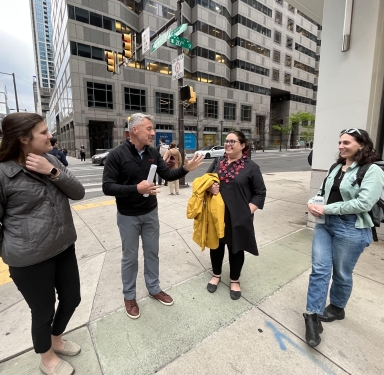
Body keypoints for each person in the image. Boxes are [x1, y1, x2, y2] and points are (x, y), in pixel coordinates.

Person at [0, 112, 85, 375]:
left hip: (64, 247)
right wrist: (14, 251)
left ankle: (57, 339)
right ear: (23, 138)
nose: (50, 136)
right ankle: (46, 356)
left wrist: (53, 171)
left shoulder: (50, 160)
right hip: (30, 261)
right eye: (43, 132)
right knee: (43, 311)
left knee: (72, 298)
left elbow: (78, 192)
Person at [102, 113, 204, 319]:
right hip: (128, 216)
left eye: (152, 128)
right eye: (149, 128)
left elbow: (167, 175)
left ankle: (154, 288)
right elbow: (107, 187)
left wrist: (186, 169)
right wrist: (135, 189)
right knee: (129, 257)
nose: (153, 133)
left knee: (152, 253)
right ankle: (129, 296)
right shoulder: (116, 155)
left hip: (150, 213)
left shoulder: (153, 153)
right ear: (134, 130)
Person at [304, 128, 384, 348]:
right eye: (339, 142)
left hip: (351, 228)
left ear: (361, 145)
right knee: (319, 270)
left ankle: (338, 308)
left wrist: (327, 209)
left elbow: (363, 203)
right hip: (324, 225)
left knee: (341, 272)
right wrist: (312, 202)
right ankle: (312, 315)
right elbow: (323, 192)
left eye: (346, 143)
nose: (341, 146)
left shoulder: (372, 170)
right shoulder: (336, 167)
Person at [206, 131, 266, 300]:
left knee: (236, 249)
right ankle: (216, 275)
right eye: (226, 141)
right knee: (216, 247)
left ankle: (234, 280)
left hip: (239, 217)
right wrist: (210, 188)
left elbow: (260, 193)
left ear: (242, 145)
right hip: (217, 215)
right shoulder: (218, 162)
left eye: (232, 141)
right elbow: (205, 180)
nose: (228, 144)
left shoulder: (251, 167)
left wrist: (247, 212)